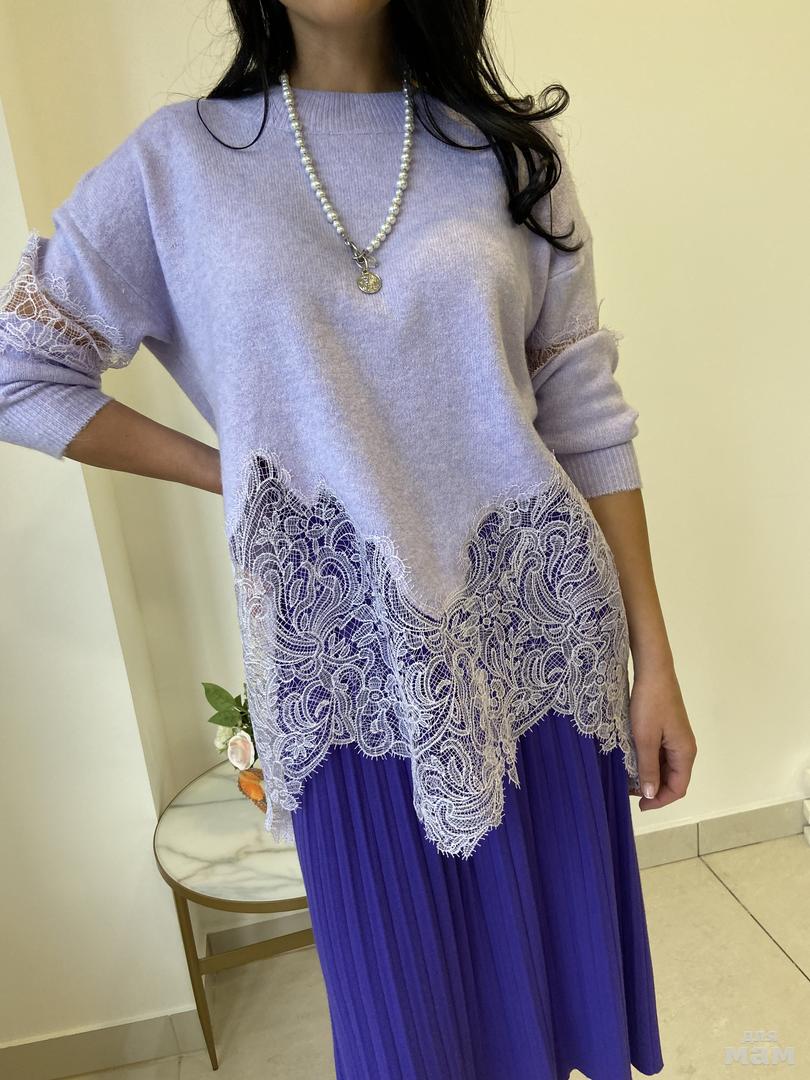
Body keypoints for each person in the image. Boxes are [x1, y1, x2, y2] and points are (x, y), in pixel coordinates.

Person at [0, 1, 697, 1076]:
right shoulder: (175, 165)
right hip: (342, 677)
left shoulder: (509, 154)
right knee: (406, 1033)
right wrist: (232, 473)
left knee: (551, 1004)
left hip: (543, 646)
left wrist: (657, 661)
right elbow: (21, 370)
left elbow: (585, 410)